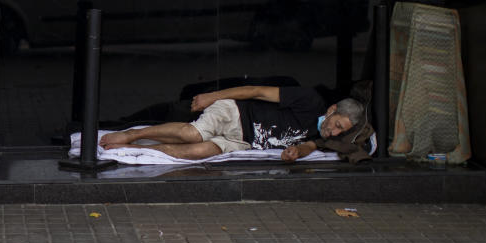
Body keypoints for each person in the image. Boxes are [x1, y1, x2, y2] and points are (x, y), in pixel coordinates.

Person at [99, 85, 364, 162]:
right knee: (193, 135)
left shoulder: (324, 136)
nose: (335, 131)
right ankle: (133, 135)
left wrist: (296, 152)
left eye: (342, 131)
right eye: (338, 124)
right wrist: (213, 96)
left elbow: (308, 146)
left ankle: (139, 151)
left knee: (195, 152)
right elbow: (256, 92)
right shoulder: (309, 99)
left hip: (242, 141)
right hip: (235, 113)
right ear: (331, 110)